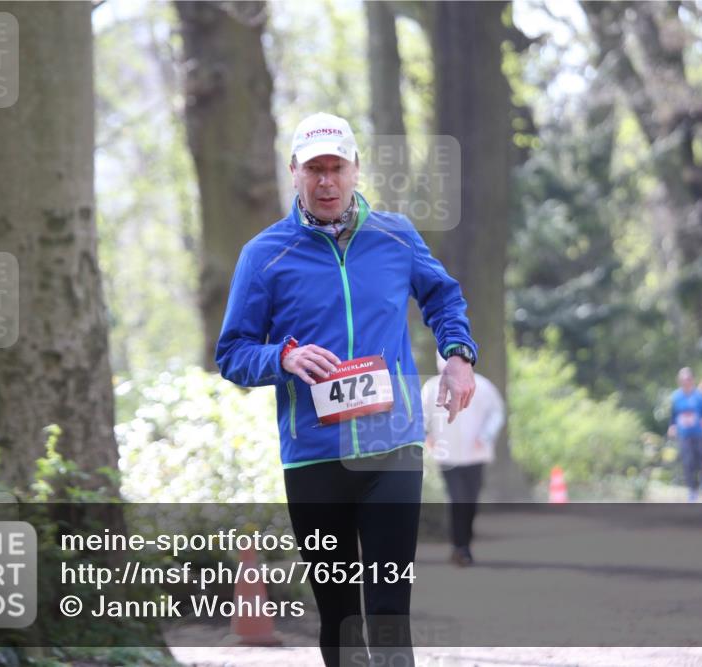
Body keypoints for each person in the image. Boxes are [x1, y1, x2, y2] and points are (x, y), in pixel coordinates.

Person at [216, 112, 477, 667]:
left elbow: (444, 298)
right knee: (338, 616)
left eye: (337, 167)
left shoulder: (396, 236)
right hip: (314, 458)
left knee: (388, 612)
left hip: (392, 448)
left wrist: (457, 355)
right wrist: (282, 357)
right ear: (294, 173)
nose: (327, 181)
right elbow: (233, 354)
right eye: (315, 169)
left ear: (357, 170)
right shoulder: (265, 256)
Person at [422, 354, 504, 566]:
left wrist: (485, 436)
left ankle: (465, 543)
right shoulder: (432, 387)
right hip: (447, 453)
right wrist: (426, 436)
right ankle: (460, 547)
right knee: (457, 499)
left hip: (475, 454)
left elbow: (496, 413)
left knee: (470, 500)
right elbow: (421, 415)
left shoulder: (482, 386)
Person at [667, 367, 702, 502]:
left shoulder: (699, 395)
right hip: (684, 434)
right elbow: (673, 415)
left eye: (688, 379)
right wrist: (672, 426)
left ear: (692, 380)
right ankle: (692, 490)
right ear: (679, 381)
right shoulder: (676, 396)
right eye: (683, 380)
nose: (686, 382)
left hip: (698, 433)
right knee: (688, 461)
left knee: (700, 460)